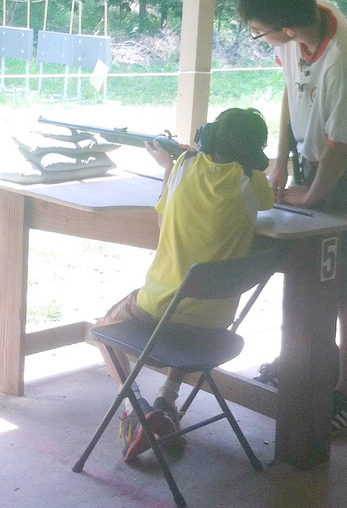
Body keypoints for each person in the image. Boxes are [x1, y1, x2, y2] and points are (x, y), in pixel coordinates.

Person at [237, 0, 347, 435]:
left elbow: (341, 148)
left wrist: (310, 195)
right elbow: (290, 91)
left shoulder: (345, 59)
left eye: (260, 31)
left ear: (286, 26)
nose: (260, 39)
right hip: (310, 156)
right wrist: (282, 159)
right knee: (303, 265)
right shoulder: (305, 28)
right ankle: (300, 363)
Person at [94, 107, 275, 461]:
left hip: (158, 306)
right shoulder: (251, 183)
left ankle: (137, 410)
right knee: (188, 317)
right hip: (214, 322)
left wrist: (168, 167)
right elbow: (267, 199)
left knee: (101, 329)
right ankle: (166, 403)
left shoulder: (182, 167)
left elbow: (162, 222)